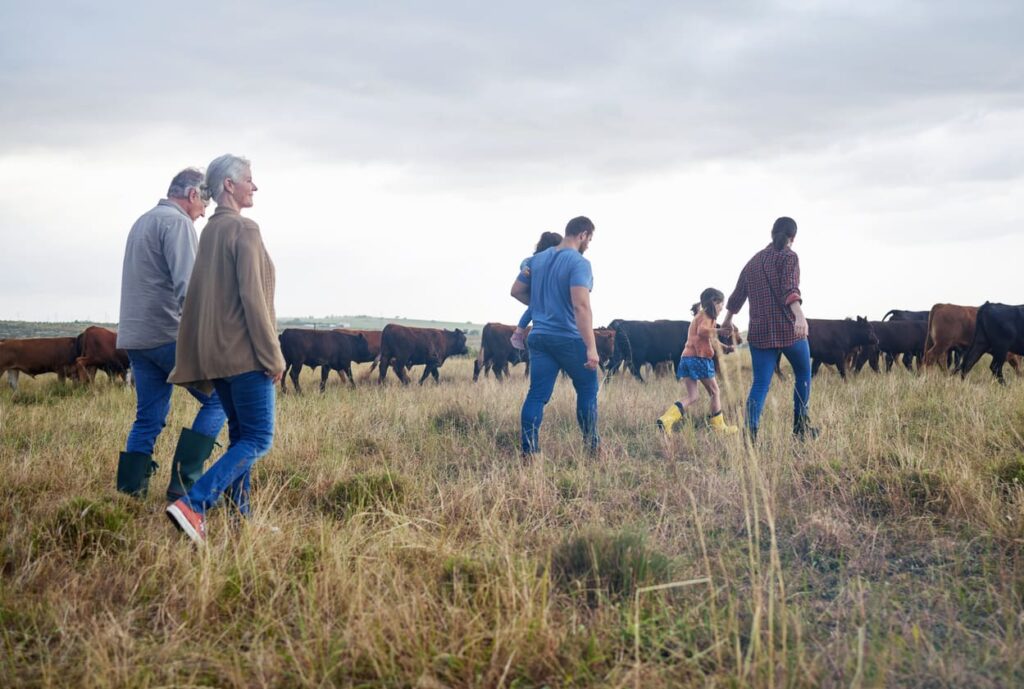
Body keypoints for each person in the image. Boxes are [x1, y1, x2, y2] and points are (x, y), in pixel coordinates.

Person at [166, 154, 286, 544]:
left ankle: (241, 519)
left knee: (240, 438)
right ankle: (194, 503)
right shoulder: (244, 229)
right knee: (258, 439)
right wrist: (273, 356)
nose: (255, 186)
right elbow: (253, 300)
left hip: (219, 358)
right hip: (246, 356)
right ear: (230, 186)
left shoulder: (211, 231)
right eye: (250, 180)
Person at [116, 168, 227, 500]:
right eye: (204, 203)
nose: (204, 212)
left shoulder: (143, 220)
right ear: (193, 195)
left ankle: (129, 491)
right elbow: (189, 288)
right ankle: (185, 483)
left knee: (148, 417)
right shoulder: (177, 223)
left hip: (136, 339)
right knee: (225, 397)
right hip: (168, 336)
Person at [720, 217, 816, 440]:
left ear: (772, 233)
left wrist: (727, 320)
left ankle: (750, 435)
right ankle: (800, 429)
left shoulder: (754, 261)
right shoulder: (789, 257)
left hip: (760, 332)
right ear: (794, 236)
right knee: (803, 373)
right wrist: (800, 316)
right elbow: (790, 288)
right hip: (788, 329)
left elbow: (737, 294)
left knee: (761, 383)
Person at [511, 216, 599, 456]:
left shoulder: (537, 260)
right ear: (582, 235)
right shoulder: (580, 263)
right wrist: (591, 347)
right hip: (568, 337)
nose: (588, 244)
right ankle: (592, 448)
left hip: (539, 337)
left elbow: (516, 290)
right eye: (589, 239)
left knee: (537, 395)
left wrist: (541, 307)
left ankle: (529, 453)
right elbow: (581, 306)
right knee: (588, 389)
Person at [656, 288, 739, 435]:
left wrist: (726, 348)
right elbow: (702, 331)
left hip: (686, 359)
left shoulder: (702, 316)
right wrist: (720, 331)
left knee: (692, 396)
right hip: (699, 359)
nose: (721, 308)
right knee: (715, 392)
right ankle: (719, 428)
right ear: (714, 301)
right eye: (721, 304)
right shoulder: (706, 315)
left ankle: (666, 419)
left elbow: (710, 339)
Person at [510, 231, 563, 349]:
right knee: (532, 308)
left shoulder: (538, 261)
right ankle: (518, 332)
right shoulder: (540, 260)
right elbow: (525, 262)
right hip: (540, 294)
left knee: (533, 309)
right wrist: (524, 268)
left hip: (539, 295)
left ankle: (519, 332)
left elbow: (525, 262)